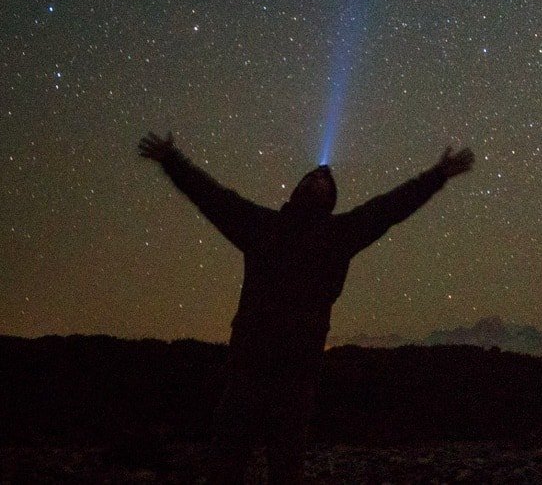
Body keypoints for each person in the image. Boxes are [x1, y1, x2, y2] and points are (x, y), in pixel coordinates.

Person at [138, 130, 474, 484]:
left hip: (295, 379)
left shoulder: (339, 234)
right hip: (247, 371)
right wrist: (173, 161)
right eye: (311, 177)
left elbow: (389, 208)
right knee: (226, 466)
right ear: (296, 191)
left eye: (323, 181)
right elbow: (215, 199)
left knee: (285, 470)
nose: (316, 180)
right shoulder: (263, 227)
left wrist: (437, 175)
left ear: (331, 200)